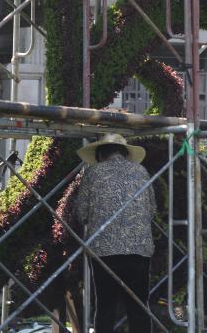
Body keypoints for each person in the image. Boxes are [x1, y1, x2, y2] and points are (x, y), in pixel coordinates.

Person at [73, 133, 156, 333]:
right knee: (138, 306)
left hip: (104, 251)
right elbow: (152, 209)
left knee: (105, 306)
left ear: (100, 153)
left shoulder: (93, 173)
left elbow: (81, 213)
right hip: (139, 249)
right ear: (125, 153)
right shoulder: (141, 171)